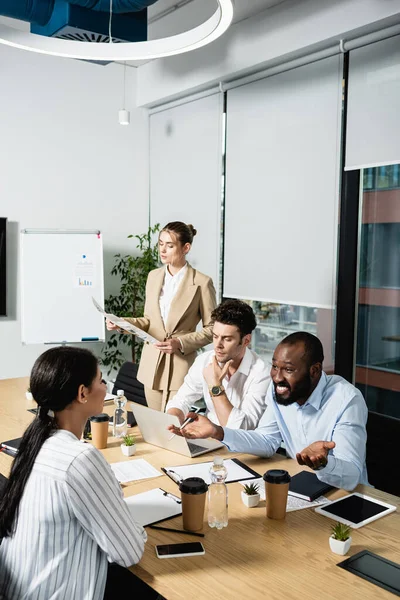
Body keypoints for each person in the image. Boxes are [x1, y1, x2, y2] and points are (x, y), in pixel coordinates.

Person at [0, 347, 147, 600]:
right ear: (82, 393)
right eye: (101, 380)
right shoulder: (80, 458)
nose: (105, 386)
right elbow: (129, 552)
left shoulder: (32, 442)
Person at [168, 332, 368, 491]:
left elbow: (352, 476)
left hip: (346, 495)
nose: (277, 378)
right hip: (301, 487)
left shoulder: (347, 400)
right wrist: (217, 431)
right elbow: (267, 441)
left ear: (314, 371)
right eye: (274, 367)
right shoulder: (280, 392)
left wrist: (323, 463)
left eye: (288, 370)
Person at [107, 222, 216, 412]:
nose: (162, 250)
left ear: (186, 248)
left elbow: (212, 329)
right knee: (156, 425)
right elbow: (149, 321)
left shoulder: (202, 283)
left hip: (180, 366)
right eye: (160, 244)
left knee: (173, 424)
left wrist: (180, 343)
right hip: (152, 365)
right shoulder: (153, 277)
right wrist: (122, 323)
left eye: (170, 245)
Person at [166, 299, 269, 430]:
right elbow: (181, 400)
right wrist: (173, 421)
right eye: (215, 337)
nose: (218, 345)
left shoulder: (262, 373)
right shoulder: (204, 361)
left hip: (241, 447)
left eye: (227, 339)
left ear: (246, 340)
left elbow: (242, 428)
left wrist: (215, 386)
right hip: (207, 438)